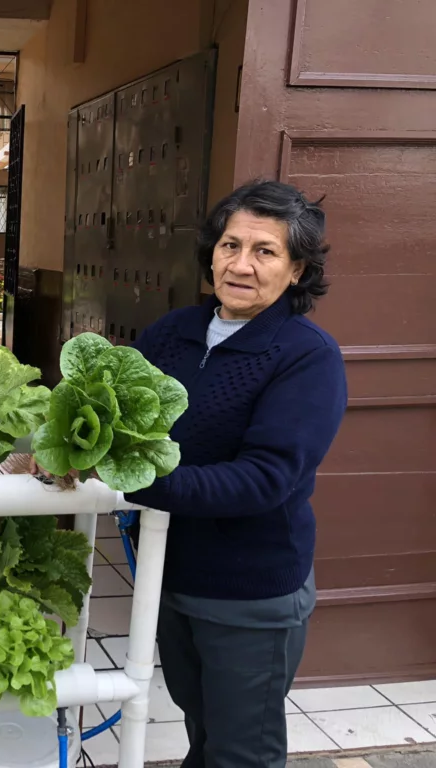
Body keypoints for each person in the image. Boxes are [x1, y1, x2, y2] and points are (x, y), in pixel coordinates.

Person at [124, 180, 348, 768]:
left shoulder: (306, 356)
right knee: (202, 730)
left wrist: (134, 480)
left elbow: (263, 479)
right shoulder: (173, 332)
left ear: (297, 270)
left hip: (250, 594)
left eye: (264, 251)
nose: (241, 264)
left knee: (242, 752)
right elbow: (110, 412)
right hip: (170, 576)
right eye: (230, 245)